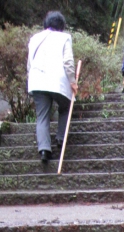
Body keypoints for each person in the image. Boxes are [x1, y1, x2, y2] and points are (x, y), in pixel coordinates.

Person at [27, 11, 78, 163]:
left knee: (42, 116)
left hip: (37, 80)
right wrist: (73, 81)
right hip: (58, 81)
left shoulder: (34, 38)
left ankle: (44, 150)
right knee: (65, 107)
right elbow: (68, 61)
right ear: (61, 26)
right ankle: (61, 138)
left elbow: (30, 63)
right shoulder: (64, 37)